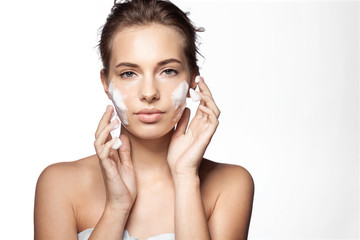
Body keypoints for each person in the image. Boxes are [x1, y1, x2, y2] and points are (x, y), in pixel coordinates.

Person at [34, 0, 254, 239]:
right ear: (106, 83)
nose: (149, 93)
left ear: (193, 79)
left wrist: (185, 178)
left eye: (168, 70)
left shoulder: (230, 185)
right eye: (129, 73)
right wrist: (116, 208)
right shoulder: (59, 185)